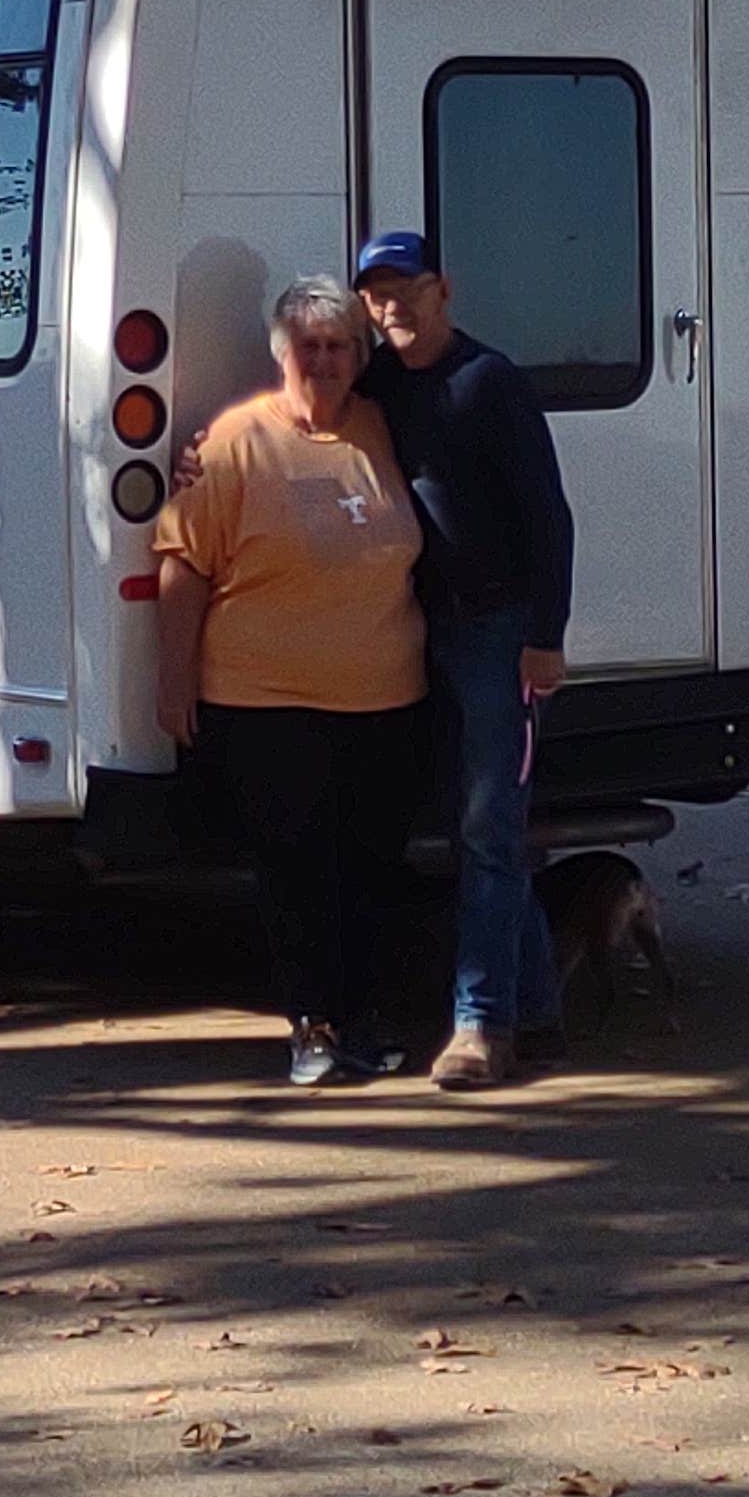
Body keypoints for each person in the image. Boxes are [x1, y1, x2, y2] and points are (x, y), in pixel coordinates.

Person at [151, 275, 427, 1088]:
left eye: (339, 345)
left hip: (385, 696)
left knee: (372, 871)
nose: (325, 360)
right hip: (264, 701)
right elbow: (183, 564)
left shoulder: (385, 430)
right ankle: (311, 1025)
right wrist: (174, 682)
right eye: (308, 347)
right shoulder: (234, 442)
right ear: (282, 357)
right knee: (294, 871)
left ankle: (365, 1023)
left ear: (359, 356)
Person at [351, 229, 575, 1091]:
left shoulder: (491, 383)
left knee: (488, 825)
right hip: (423, 626)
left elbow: (549, 518)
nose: (391, 307)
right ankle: (540, 1008)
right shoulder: (380, 383)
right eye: (375, 295)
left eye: (405, 289)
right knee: (473, 826)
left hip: (501, 631)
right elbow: (314, 412)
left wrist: (545, 637)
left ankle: (482, 1026)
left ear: (444, 289)